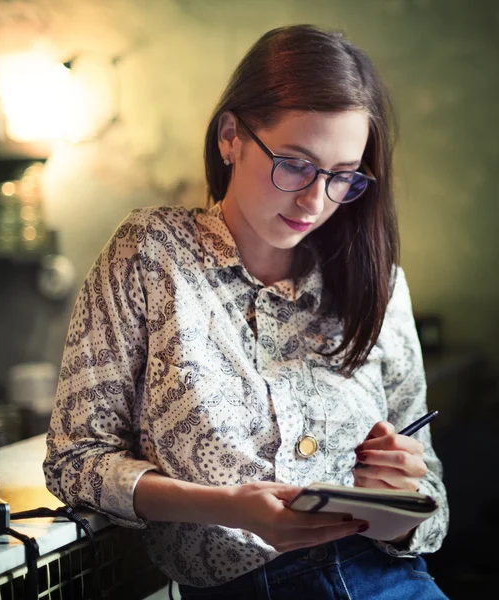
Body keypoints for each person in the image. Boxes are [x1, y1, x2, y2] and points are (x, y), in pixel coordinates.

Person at [43, 24, 449, 599]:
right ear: (230, 136)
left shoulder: (377, 284)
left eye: (341, 177)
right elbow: (75, 460)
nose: (314, 201)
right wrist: (227, 507)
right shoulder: (152, 252)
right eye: (295, 164)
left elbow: (433, 504)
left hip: (387, 582)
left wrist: (400, 504)